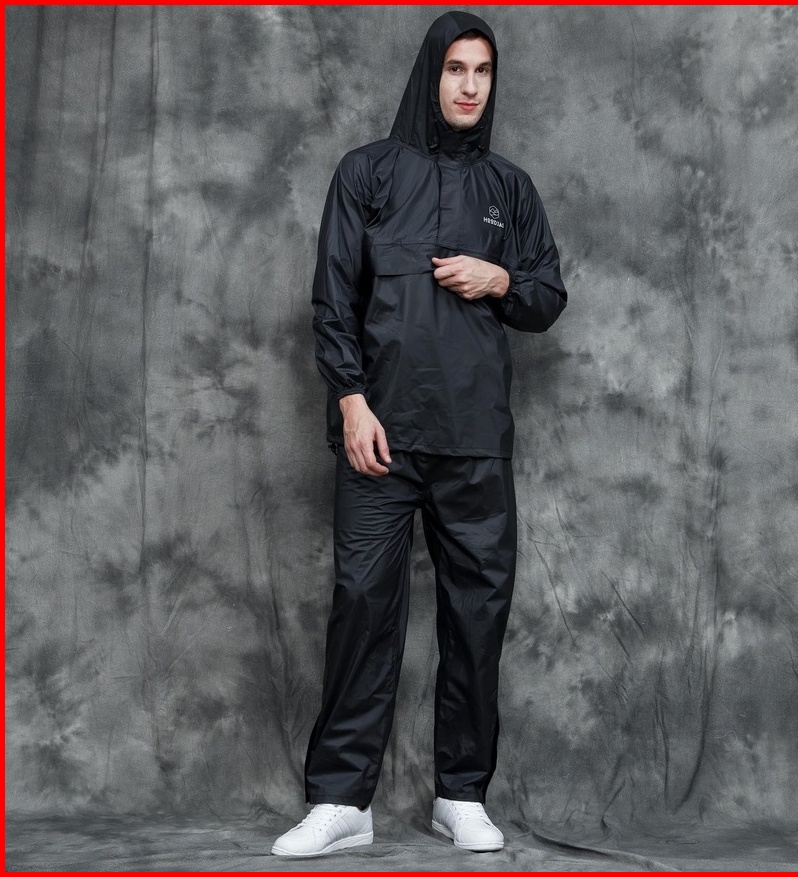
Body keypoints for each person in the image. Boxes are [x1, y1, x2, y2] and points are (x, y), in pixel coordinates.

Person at [272, 10, 567, 858]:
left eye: (483, 71)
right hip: (380, 434)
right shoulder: (366, 173)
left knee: (477, 613)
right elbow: (333, 297)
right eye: (455, 69)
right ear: (429, 74)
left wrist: (500, 277)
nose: (469, 86)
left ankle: (460, 793)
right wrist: (350, 400)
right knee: (362, 605)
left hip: (474, 437)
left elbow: (545, 298)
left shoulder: (509, 189)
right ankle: (341, 800)